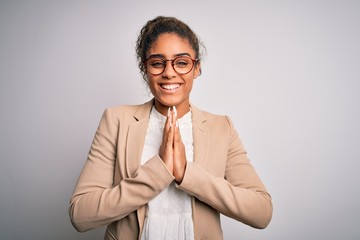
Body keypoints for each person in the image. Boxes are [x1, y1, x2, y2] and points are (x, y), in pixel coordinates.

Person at [69, 16, 272, 240]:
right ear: (145, 68)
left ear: (197, 68)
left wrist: (187, 174)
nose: (169, 72)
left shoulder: (220, 127)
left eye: (182, 62)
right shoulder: (116, 120)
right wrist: (158, 172)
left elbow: (261, 212)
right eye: (157, 63)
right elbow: (80, 214)